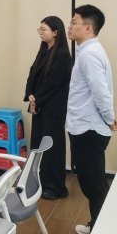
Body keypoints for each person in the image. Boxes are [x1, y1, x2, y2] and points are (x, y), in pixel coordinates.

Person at [66, 5, 117, 234]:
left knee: (94, 185)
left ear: (88, 27)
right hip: (85, 126)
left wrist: (110, 119)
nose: (69, 26)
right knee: (91, 183)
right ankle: (95, 225)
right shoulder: (88, 51)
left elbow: (101, 93)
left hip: (89, 129)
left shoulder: (89, 54)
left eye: (74, 22)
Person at [23, 16, 71, 200]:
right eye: (40, 29)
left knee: (52, 149)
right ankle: (40, 182)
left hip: (53, 109)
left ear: (55, 32)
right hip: (39, 107)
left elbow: (53, 84)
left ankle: (56, 186)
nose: (41, 32)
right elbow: (32, 76)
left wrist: (36, 100)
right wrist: (30, 95)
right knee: (38, 146)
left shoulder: (63, 55)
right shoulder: (43, 51)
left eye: (44, 29)